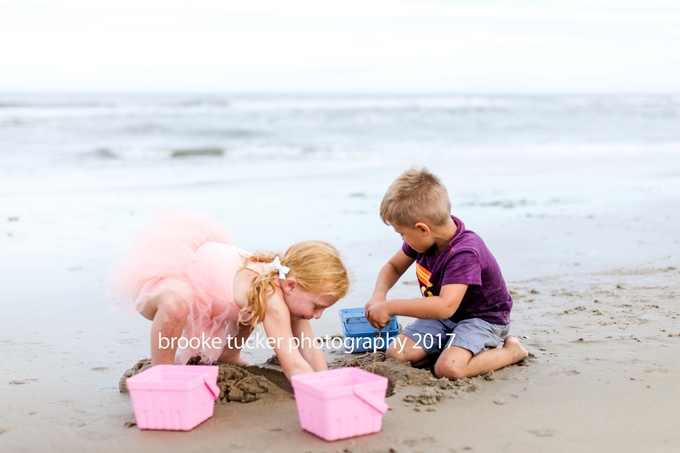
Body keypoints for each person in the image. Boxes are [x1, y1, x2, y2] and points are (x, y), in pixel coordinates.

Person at [106, 208, 351, 379]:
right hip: (171, 274)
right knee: (176, 306)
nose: (317, 316)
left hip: (209, 274)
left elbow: (308, 348)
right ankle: (162, 374)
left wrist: (325, 378)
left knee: (257, 306)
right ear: (291, 285)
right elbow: (293, 363)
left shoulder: (282, 289)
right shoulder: (272, 297)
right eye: (317, 306)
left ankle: (228, 354)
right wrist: (322, 393)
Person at [364, 167, 528, 379]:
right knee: (397, 353)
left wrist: (392, 306)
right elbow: (393, 267)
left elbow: (445, 306)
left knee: (449, 369)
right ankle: (451, 347)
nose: (403, 240)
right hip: (443, 318)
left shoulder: (464, 252)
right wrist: (379, 294)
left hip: (481, 318)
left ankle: (511, 352)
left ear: (423, 229)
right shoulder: (425, 240)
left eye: (402, 234)